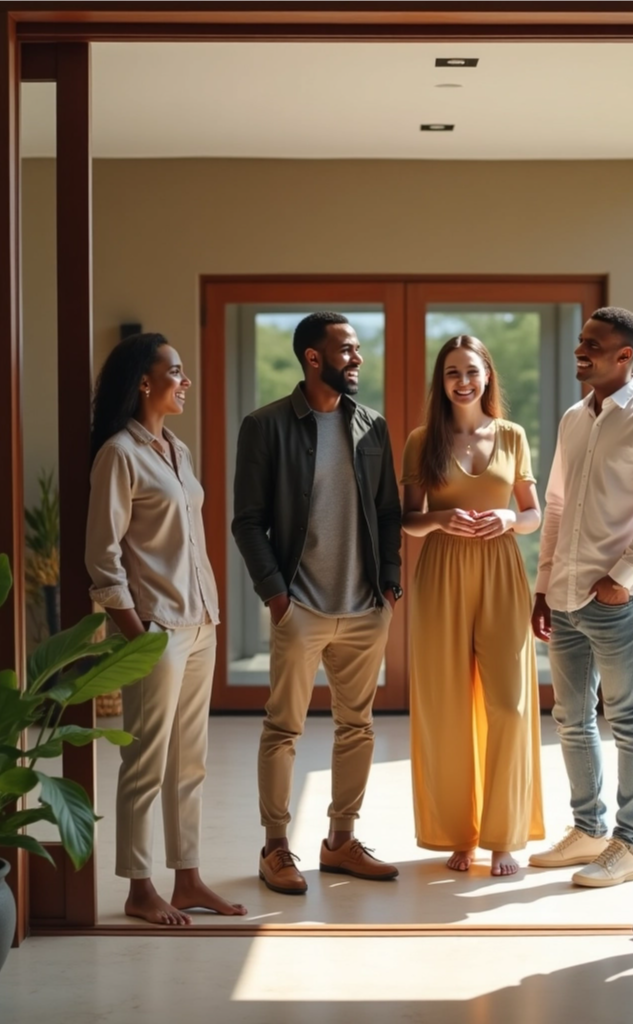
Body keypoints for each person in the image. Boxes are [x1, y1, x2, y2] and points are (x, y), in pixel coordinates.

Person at [232, 311, 402, 895]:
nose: (357, 359)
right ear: (312, 357)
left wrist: (390, 584)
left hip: (364, 607)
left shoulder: (371, 427)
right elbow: (247, 521)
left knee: (358, 727)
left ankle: (340, 842)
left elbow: (387, 511)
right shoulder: (266, 426)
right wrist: (277, 596)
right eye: (347, 350)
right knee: (284, 728)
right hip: (299, 606)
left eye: (357, 350)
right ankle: (276, 848)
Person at [86, 332, 246, 926]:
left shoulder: (174, 448)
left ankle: (188, 879)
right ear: (144, 383)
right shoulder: (119, 454)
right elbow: (102, 557)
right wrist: (137, 633)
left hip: (199, 621)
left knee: (190, 762)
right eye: (174, 372)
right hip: (156, 627)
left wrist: (204, 615)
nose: (185, 381)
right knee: (145, 762)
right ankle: (138, 888)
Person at [530, 307, 633, 888]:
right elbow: (559, 507)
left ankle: (629, 844)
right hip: (566, 596)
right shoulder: (576, 418)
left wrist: (621, 576)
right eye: (580, 342)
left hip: (617, 601)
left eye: (594, 345)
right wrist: (543, 586)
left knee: (627, 718)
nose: (582, 351)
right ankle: (588, 830)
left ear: (625, 356)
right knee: (572, 717)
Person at [402, 335, 545, 876]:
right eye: (451, 373)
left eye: (471, 370)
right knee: (448, 707)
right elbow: (407, 518)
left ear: (487, 375)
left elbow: (532, 514)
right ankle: (460, 834)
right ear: (441, 382)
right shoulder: (422, 440)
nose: (462, 381)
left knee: (508, 704)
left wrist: (511, 519)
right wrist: (439, 519)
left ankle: (503, 836)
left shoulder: (512, 436)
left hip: (502, 571)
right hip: (441, 573)